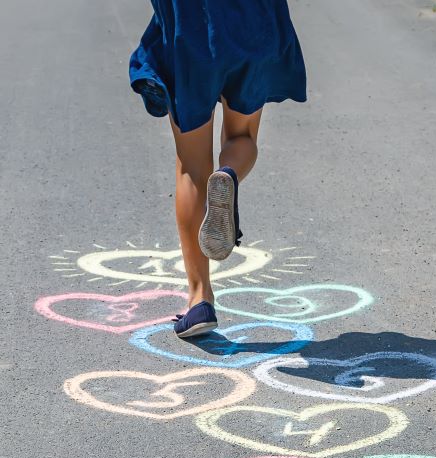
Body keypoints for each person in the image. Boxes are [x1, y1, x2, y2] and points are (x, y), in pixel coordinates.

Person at [129, 0, 307, 337]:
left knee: (192, 167)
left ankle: (199, 299)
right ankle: (228, 174)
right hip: (254, 25)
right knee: (241, 136)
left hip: (189, 28)